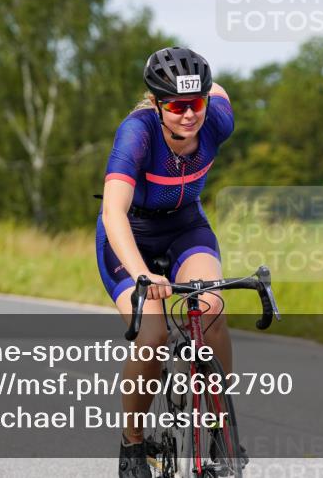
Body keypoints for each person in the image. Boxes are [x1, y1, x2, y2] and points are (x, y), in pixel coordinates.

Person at [98, 46, 234, 478]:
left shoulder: (217, 119)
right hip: (131, 232)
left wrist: (202, 88)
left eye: (195, 103)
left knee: (210, 309)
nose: (188, 115)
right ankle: (133, 442)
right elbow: (112, 212)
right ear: (157, 104)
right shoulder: (137, 134)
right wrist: (141, 274)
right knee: (153, 334)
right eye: (176, 106)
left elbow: (220, 90)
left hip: (186, 226)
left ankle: (218, 423)